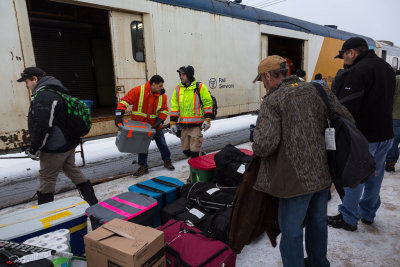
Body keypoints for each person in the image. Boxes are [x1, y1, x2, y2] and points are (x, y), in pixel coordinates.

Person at [252, 55, 353, 266]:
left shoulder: (273, 100)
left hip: (293, 181)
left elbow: (264, 145)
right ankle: (318, 262)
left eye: (262, 79)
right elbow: (345, 116)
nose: (263, 84)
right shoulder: (317, 89)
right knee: (317, 223)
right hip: (322, 173)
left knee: (292, 231)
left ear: (269, 75)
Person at [328, 37, 395, 231]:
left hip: (365, 137)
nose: (343, 60)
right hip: (385, 134)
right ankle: (368, 213)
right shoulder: (386, 68)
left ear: (352, 53)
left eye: (343, 56)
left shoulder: (358, 71)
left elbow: (346, 109)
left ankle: (348, 218)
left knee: (354, 176)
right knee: (376, 175)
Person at [17, 67, 98, 206]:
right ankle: (94, 203)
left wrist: (34, 148)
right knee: (71, 169)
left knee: (47, 178)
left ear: (34, 79)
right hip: (67, 142)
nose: (26, 85)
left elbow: (42, 126)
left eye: (27, 81)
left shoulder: (44, 96)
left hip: (55, 146)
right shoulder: (55, 91)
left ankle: (45, 214)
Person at [115, 75, 175, 176]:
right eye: (160, 86)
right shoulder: (138, 91)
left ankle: (167, 161)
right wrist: (118, 116)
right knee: (142, 147)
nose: (162, 88)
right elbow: (124, 102)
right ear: (153, 84)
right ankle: (143, 166)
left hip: (155, 126)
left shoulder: (162, 96)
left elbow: (164, 110)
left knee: (162, 144)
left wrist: (159, 121)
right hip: (141, 128)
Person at [170, 66, 213, 158]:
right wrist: (173, 122)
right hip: (184, 127)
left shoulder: (200, 87)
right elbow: (175, 107)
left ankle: (197, 171)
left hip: (196, 126)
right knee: (186, 151)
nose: (181, 77)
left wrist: (207, 119)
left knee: (194, 152)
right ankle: (200, 157)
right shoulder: (177, 89)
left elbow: (208, 104)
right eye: (180, 75)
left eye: (183, 74)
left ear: (189, 75)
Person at [385, 70, 400, 171]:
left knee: (394, 141)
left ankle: (390, 163)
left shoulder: (396, 80)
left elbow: (388, 96)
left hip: (395, 115)